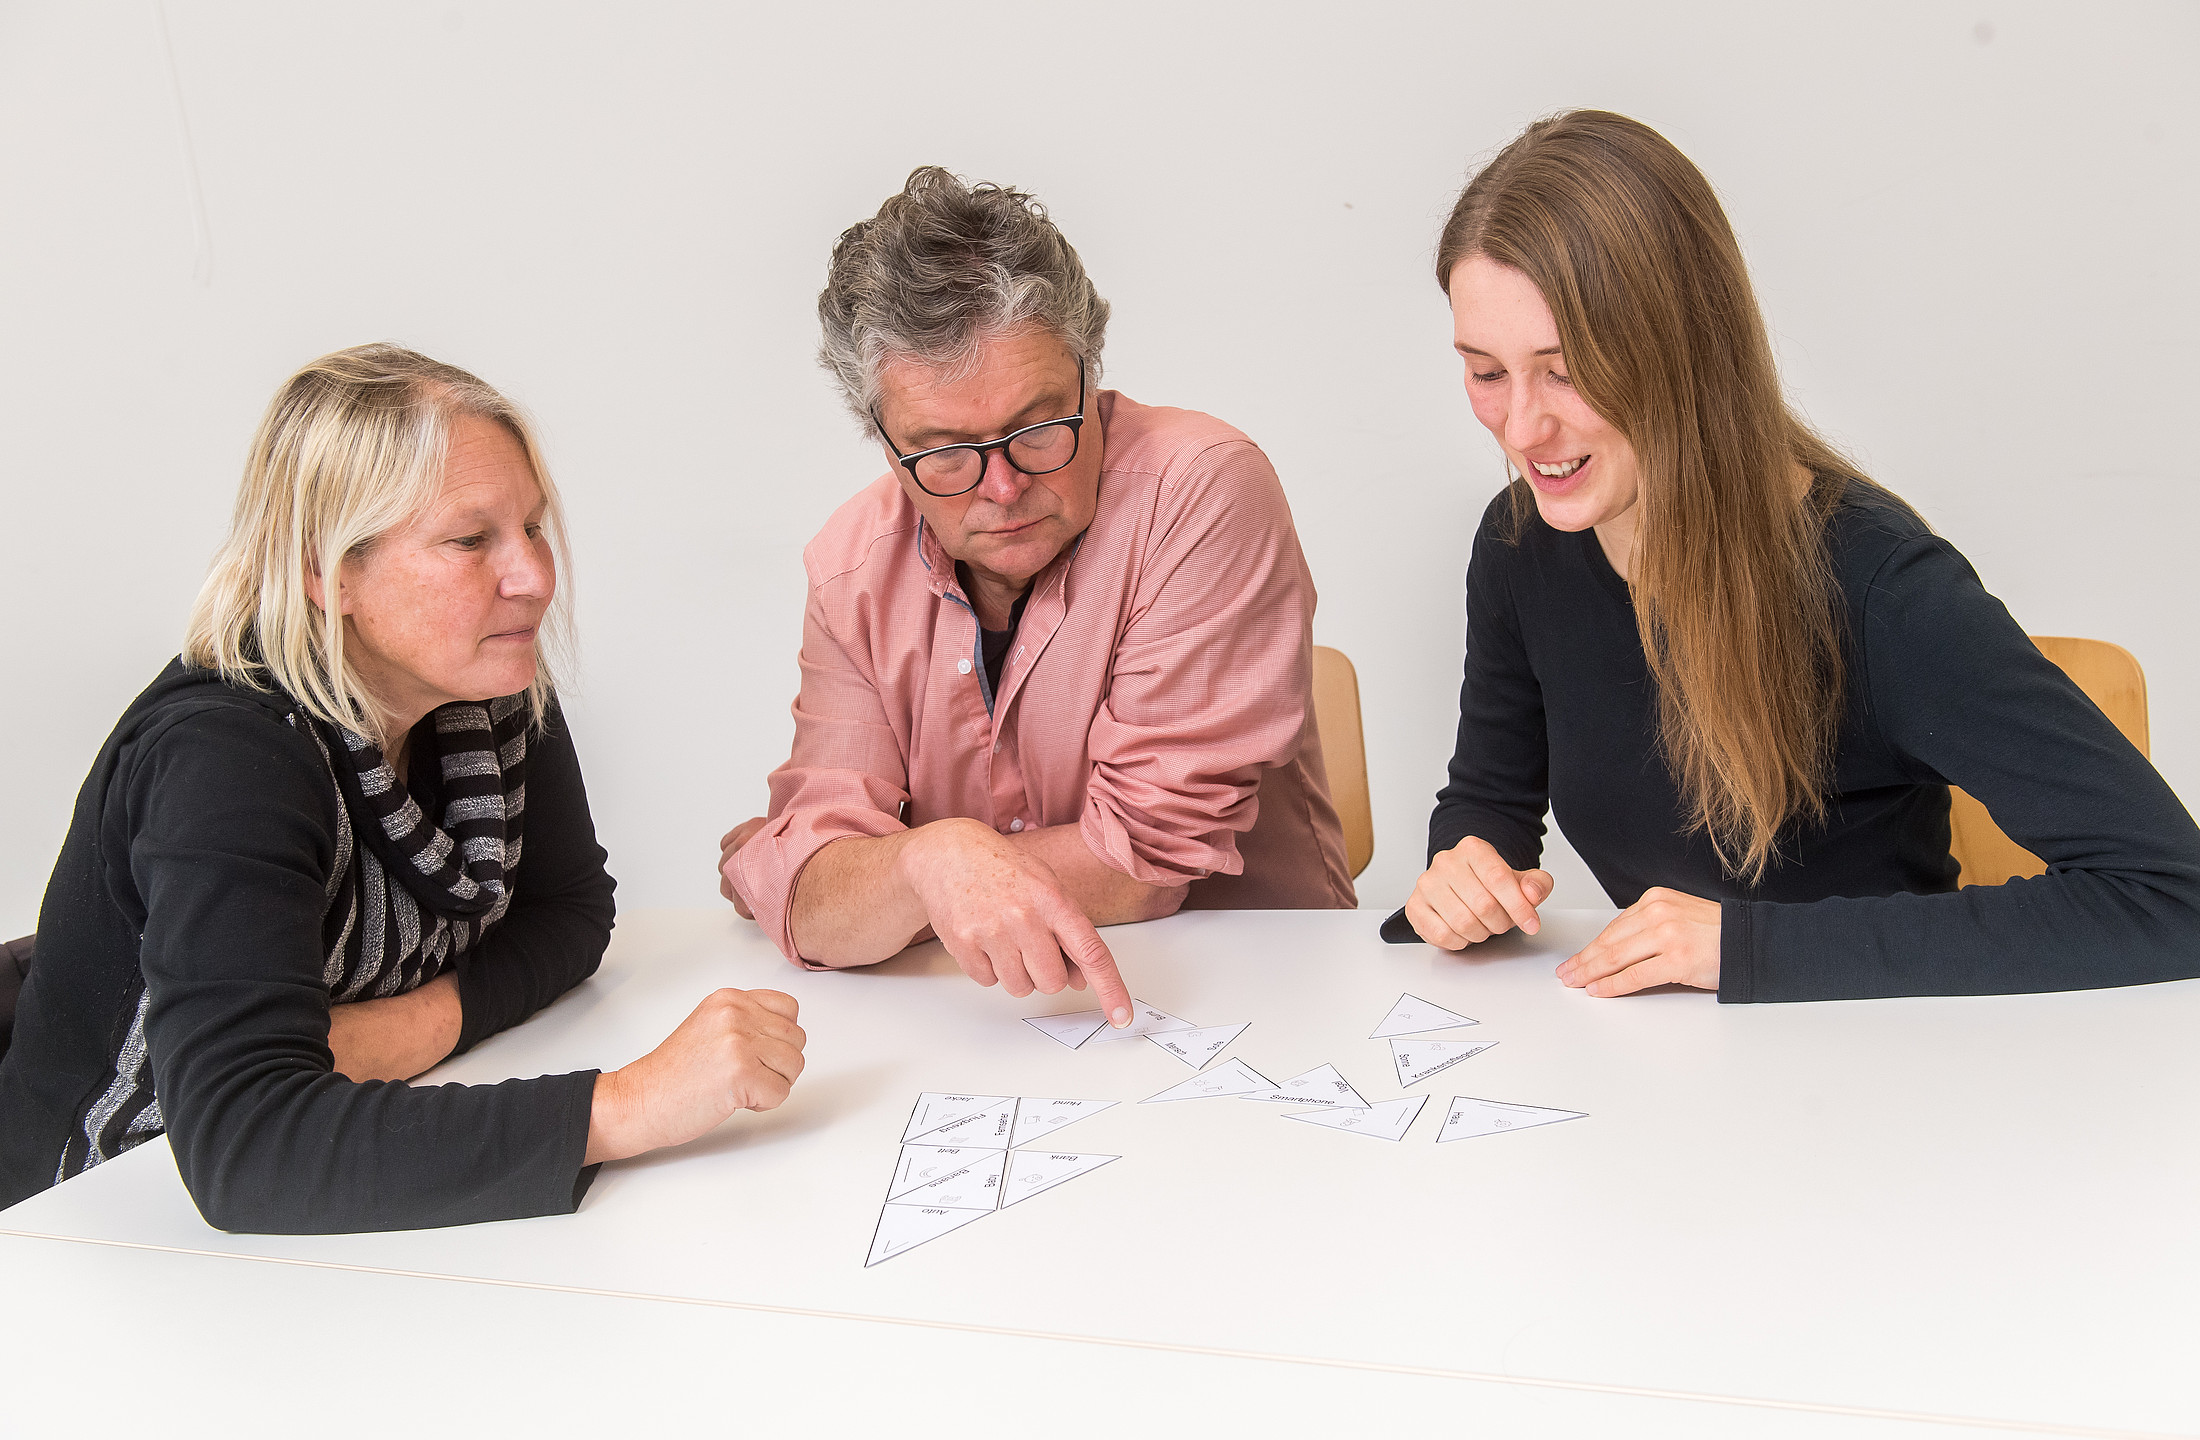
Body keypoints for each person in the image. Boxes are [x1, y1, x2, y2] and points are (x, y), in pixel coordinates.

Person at [1388, 111, 2200, 1001]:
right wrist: (1465, 867)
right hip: (1671, 1060)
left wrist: (1747, 948)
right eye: (1486, 372)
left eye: (1568, 369)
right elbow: (1491, 804)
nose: (1521, 428)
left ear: (1684, 349)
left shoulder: (1882, 591)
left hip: (1878, 1063)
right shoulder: (1520, 546)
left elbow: (2173, 895)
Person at [0, 345, 806, 1231]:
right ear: (326, 570)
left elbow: (570, 911)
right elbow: (245, 1145)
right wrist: (627, 1104)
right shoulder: (225, 757)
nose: (534, 577)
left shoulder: (486, 687)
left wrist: (390, 1034)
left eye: (532, 527)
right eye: (471, 540)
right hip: (94, 1217)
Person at [722, 168, 1354, 1025]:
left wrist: (884, 881)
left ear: (1090, 373)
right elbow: (813, 894)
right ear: (883, 442)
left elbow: (1143, 864)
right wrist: (916, 868)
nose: (1003, 487)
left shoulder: (1203, 488)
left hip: (1251, 1008)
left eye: (1037, 426)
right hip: (981, 1021)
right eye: (945, 452)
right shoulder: (849, 567)